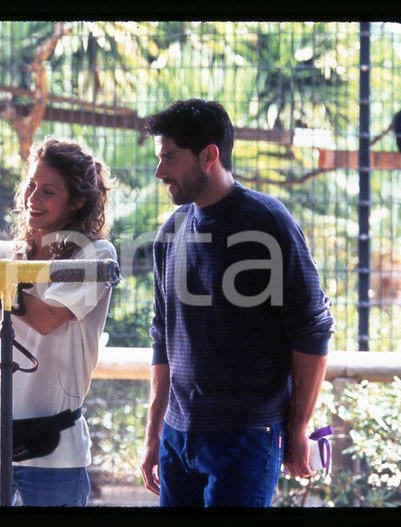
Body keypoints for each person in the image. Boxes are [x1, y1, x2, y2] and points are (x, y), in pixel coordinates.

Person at [139, 99, 334, 507]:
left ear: (209, 156)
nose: (160, 172)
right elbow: (163, 338)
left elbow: (312, 331)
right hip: (177, 437)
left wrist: (298, 429)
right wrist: (153, 433)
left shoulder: (267, 221)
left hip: (247, 436)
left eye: (170, 158)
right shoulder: (170, 233)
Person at [0, 136, 116, 506]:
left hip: (55, 458)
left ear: (78, 200)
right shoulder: (0, 255)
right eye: (31, 186)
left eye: (48, 191)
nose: (33, 199)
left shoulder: (95, 256)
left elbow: (47, 318)